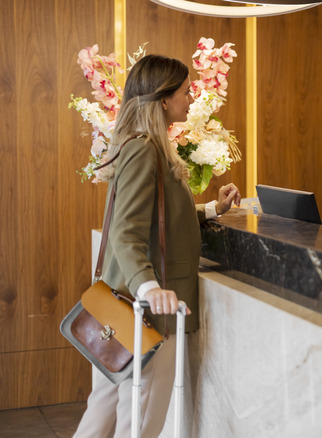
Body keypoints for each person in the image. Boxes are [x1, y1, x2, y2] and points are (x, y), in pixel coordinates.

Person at [73, 54, 241, 437]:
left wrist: (214, 208)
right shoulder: (143, 148)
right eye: (185, 91)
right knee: (141, 422)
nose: (191, 97)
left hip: (125, 311)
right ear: (163, 99)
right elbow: (126, 231)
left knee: (102, 414)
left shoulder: (147, 146)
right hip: (146, 313)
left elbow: (160, 220)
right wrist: (150, 288)